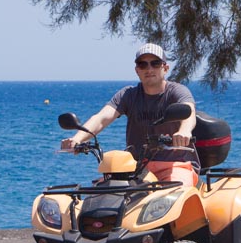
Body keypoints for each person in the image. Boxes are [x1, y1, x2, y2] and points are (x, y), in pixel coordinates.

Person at [60, 43, 200, 186]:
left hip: (176, 164)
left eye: (155, 63)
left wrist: (184, 131)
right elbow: (101, 118)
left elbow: (189, 111)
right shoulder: (128, 95)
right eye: (142, 64)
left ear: (165, 68)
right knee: (101, 192)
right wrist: (77, 139)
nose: (149, 69)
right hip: (137, 168)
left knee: (176, 193)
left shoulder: (177, 92)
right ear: (137, 70)